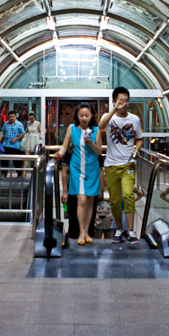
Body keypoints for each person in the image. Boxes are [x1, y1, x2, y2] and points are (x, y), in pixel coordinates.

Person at [98, 86, 144, 244]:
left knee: (128, 194)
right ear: (114, 101)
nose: (124, 104)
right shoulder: (109, 117)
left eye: (126, 101)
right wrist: (114, 109)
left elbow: (139, 139)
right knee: (115, 200)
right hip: (111, 165)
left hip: (128, 164)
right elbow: (101, 125)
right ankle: (119, 229)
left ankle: (130, 230)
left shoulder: (134, 119)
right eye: (121, 100)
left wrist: (136, 149)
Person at [57, 102, 102, 245]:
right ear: (77, 116)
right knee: (81, 200)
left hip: (92, 169)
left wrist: (91, 144)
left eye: (87, 115)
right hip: (77, 169)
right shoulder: (71, 128)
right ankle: (81, 232)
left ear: (91, 116)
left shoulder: (96, 130)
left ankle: (87, 231)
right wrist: (58, 155)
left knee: (90, 201)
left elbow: (99, 151)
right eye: (81, 115)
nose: (84, 118)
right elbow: (65, 146)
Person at [0, 109, 25, 176]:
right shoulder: (5, 124)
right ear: (8, 117)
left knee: (17, 161)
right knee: (4, 161)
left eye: (13, 116)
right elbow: (2, 132)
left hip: (15, 145)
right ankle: (4, 174)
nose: (12, 118)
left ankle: (19, 174)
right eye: (10, 117)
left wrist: (16, 139)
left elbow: (23, 134)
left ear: (15, 116)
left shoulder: (19, 124)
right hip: (6, 144)